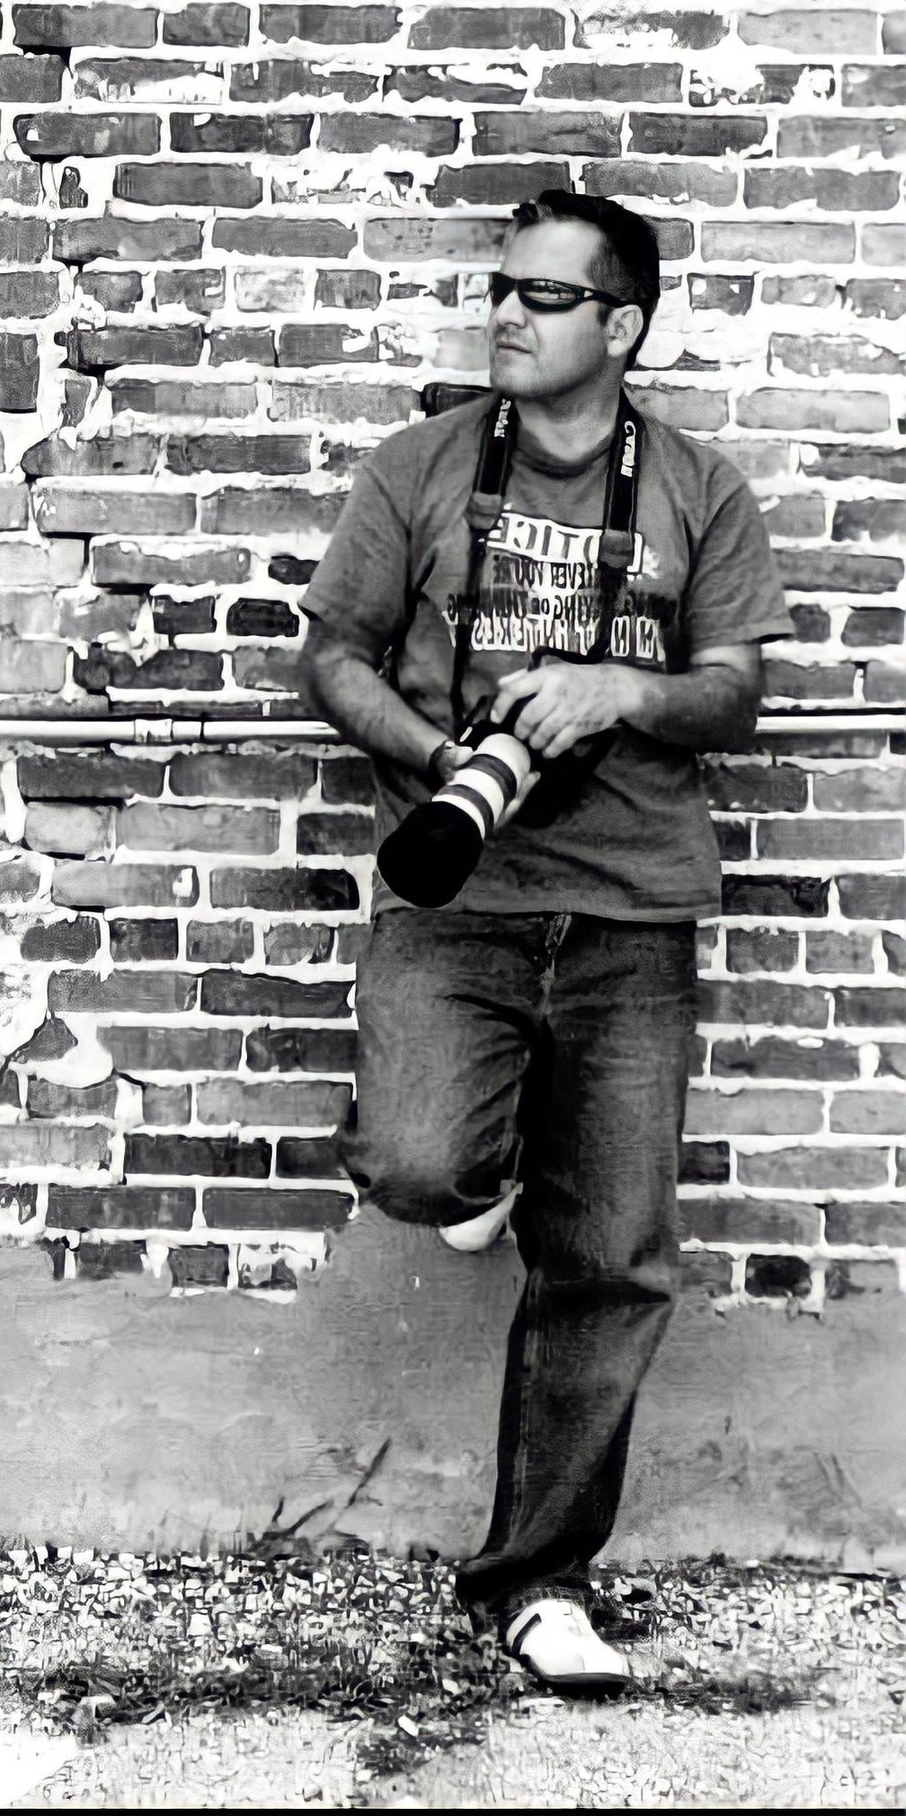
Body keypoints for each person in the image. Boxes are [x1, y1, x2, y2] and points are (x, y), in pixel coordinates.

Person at [296, 191, 793, 1695]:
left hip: (635, 905)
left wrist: (616, 696)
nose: (504, 314)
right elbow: (331, 654)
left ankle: (537, 1581)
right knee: (418, 1161)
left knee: (613, 1258)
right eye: (498, 288)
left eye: (543, 295)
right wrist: (440, 747)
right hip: (464, 899)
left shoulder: (698, 489)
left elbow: (736, 690)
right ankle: (486, 1158)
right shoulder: (420, 468)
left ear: (622, 324)